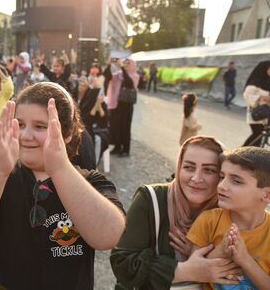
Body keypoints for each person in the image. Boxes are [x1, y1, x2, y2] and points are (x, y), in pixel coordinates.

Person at [0, 82, 125, 290]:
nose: (25, 136)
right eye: (20, 124)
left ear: (67, 133)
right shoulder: (2, 178)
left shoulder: (90, 181)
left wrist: (60, 168)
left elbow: (109, 235)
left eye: (40, 126)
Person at [111, 136, 243, 289]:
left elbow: (240, 273)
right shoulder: (151, 198)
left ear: (221, 175)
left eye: (209, 170)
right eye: (189, 167)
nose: (196, 178)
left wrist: (197, 250)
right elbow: (122, 264)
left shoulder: (228, 210)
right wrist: (186, 270)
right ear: (179, 167)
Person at [187, 146, 270, 289]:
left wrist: (245, 259)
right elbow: (195, 271)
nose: (221, 186)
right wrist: (221, 251)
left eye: (237, 181)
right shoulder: (208, 221)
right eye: (222, 177)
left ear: (267, 195)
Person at [104, 58, 139, 157]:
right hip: (117, 104)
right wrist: (108, 65)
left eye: (128, 63)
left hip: (127, 105)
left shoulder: (134, 76)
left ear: (132, 65)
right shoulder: (118, 75)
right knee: (116, 127)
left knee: (125, 127)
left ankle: (126, 150)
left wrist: (122, 68)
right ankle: (117, 147)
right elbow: (108, 76)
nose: (126, 65)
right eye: (125, 63)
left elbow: (129, 83)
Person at [242, 61, 270, 147]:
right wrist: (262, 98)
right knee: (257, 135)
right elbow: (248, 97)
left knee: (261, 137)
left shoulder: (267, 82)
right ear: (263, 69)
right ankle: (241, 153)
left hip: (266, 116)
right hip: (256, 115)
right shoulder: (254, 84)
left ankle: (249, 154)